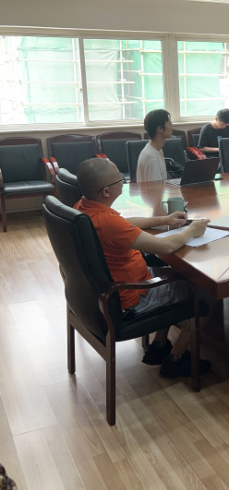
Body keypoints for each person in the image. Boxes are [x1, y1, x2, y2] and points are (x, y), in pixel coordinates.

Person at [73, 158, 211, 378]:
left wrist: (164, 219)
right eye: (119, 178)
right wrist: (192, 230)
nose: (123, 180)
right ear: (106, 192)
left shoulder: (83, 208)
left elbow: (124, 223)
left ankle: (158, 346)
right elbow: (166, 246)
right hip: (133, 296)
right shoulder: (108, 223)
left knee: (176, 275)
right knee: (205, 291)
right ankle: (175, 359)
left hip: (114, 289)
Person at [137, 109, 172, 183]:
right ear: (160, 128)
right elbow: (155, 188)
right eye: (169, 124)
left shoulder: (158, 150)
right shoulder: (151, 156)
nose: (172, 128)